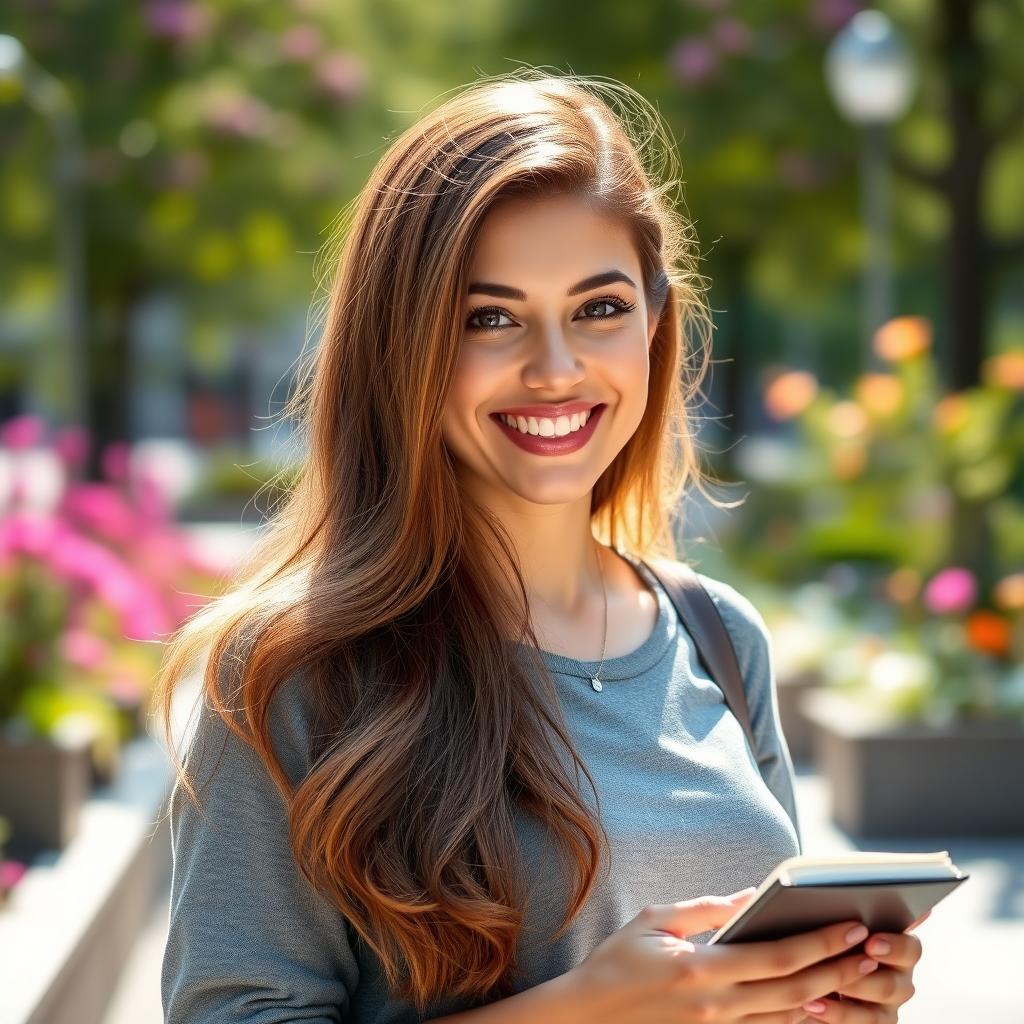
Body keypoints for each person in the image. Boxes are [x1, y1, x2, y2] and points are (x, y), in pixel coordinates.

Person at [156, 71, 924, 1024]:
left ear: (655, 321)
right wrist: (586, 1011)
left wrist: (825, 993)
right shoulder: (292, 669)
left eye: (599, 308)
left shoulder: (718, 637)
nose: (555, 370)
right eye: (490, 318)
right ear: (402, 345)